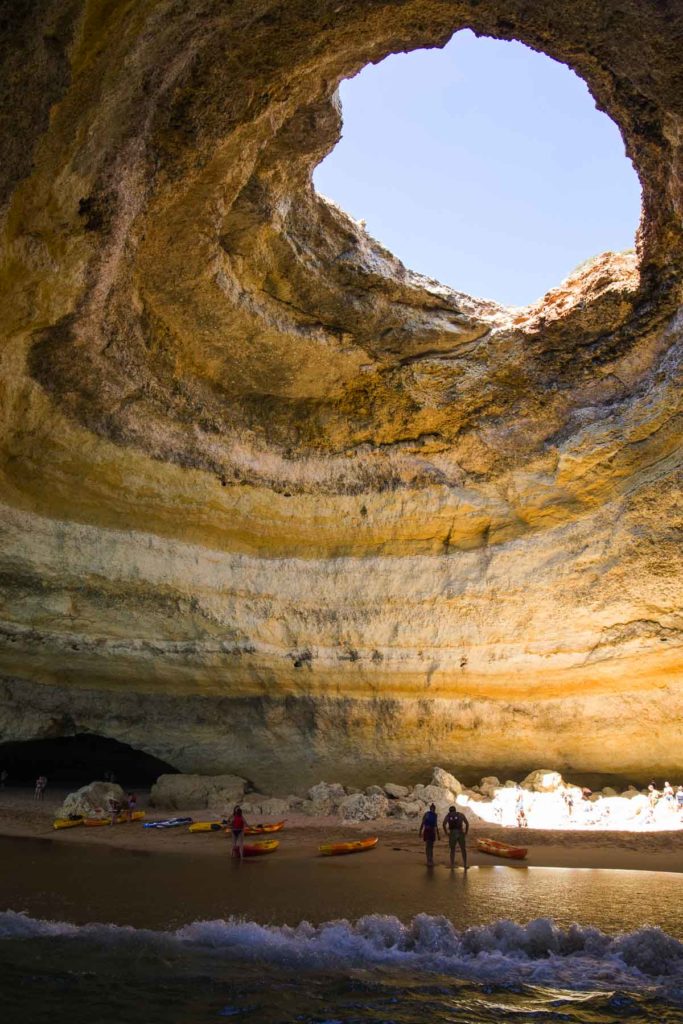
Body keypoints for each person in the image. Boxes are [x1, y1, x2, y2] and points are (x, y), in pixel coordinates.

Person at [442, 805, 469, 869]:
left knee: (452, 850)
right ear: (455, 810)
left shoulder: (448, 815)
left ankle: (452, 864)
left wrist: (446, 832)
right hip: (460, 832)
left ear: (450, 811)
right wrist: (466, 832)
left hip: (452, 833)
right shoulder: (460, 815)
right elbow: (467, 823)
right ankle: (465, 864)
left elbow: (444, 824)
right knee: (463, 849)